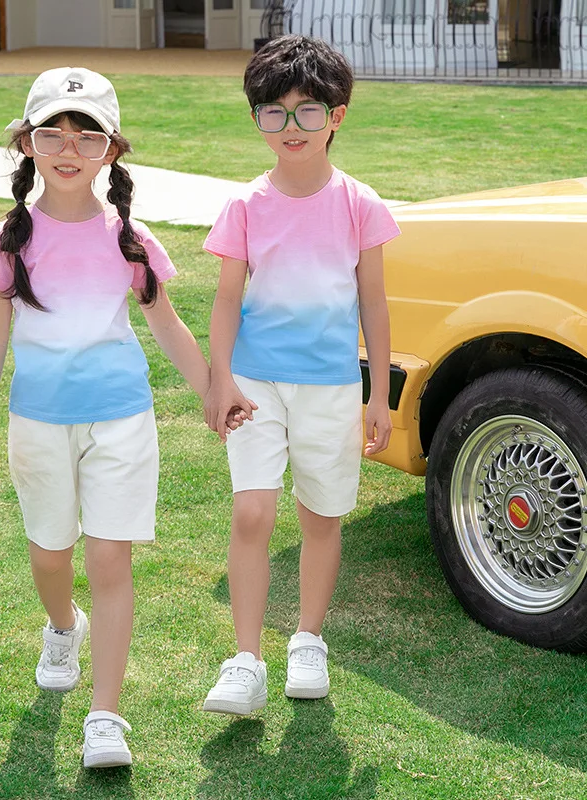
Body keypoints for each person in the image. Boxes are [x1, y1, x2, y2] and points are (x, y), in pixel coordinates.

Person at [0, 67, 246, 768]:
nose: (68, 146)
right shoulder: (10, 239)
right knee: (50, 555)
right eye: (51, 132)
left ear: (110, 150)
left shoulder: (130, 237)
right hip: (38, 422)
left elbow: (168, 325)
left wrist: (215, 388)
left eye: (86, 133)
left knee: (108, 557)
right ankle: (63, 627)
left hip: (122, 420)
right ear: (25, 145)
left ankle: (106, 717)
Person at [201, 35, 400, 715]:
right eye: (274, 111)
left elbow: (373, 300)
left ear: (338, 115)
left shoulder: (360, 204)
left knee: (321, 515)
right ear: (256, 117)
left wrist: (378, 394)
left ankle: (307, 639)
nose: (291, 127)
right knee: (252, 511)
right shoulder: (245, 207)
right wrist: (218, 380)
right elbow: (227, 300)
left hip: (333, 388)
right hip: (256, 384)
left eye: (308, 111)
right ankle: (247, 658)